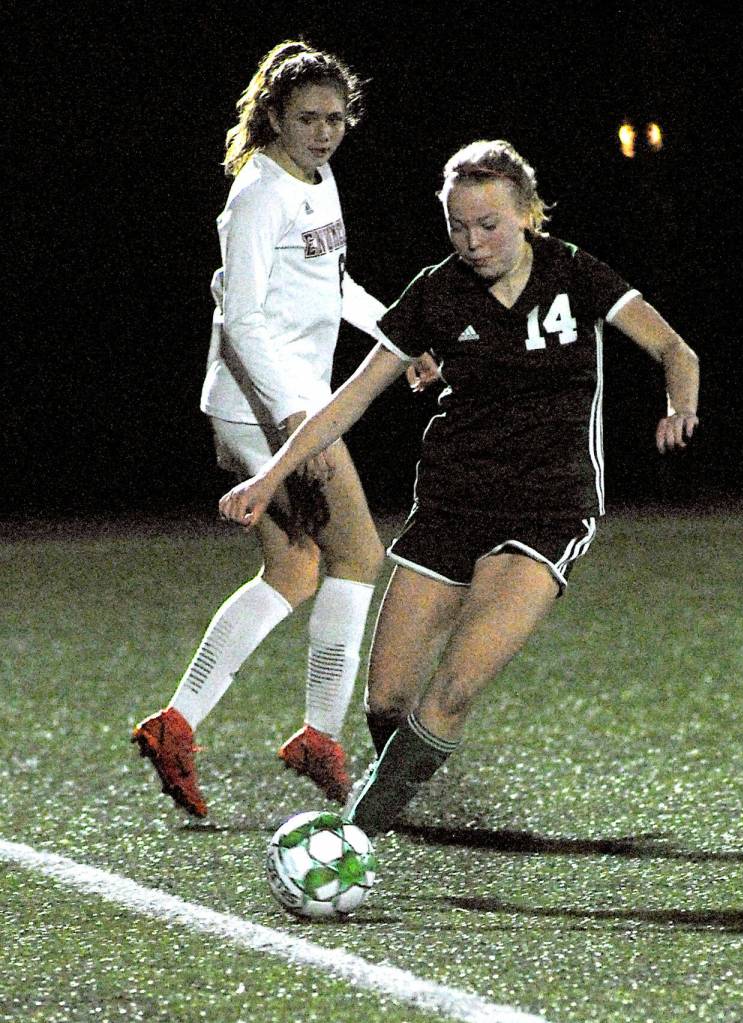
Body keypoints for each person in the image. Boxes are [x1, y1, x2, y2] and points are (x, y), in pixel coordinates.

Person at [218, 138, 700, 836]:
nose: (472, 241)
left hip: (548, 507)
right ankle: (404, 784)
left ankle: (356, 837)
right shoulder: (435, 294)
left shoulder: (573, 273)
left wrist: (678, 404)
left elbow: (674, 348)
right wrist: (272, 474)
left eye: (489, 224)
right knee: (386, 699)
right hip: (451, 505)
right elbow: (349, 400)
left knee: (454, 687)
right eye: (457, 225)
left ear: (527, 214)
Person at [133, 40, 396, 817]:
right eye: (308, 118)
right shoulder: (257, 194)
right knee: (358, 552)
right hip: (267, 407)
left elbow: (332, 282)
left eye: (337, 118)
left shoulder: (319, 179)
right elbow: (240, 315)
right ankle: (319, 734)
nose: (324, 132)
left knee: (296, 569)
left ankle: (175, 723)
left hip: (290, 402)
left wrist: (393, 339)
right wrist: (290, 415)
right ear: (274, 115)